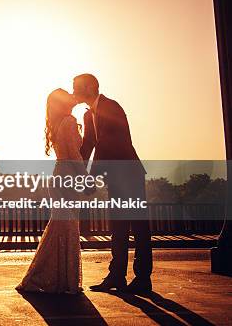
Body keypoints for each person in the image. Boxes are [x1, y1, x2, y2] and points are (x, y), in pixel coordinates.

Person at [73, 73, 153, 294]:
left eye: (76, 86)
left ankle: (143, 278)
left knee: (138, 227)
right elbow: (88, 146)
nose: (74, 91)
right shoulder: (88, 116)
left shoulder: (111, 107)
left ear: (90, 87)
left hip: (129, 174)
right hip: (116, 177)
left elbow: (106, 144)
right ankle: (117, 275)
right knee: (118, 228)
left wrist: (90, 176)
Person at [16, 88, 87, 294]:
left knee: (59, 227)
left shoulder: (58, 123)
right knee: (68, 228)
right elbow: (75, 154)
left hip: (59, 175)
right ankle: (65, 281)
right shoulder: (70, 122)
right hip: (69, 177)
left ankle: (45, 277)